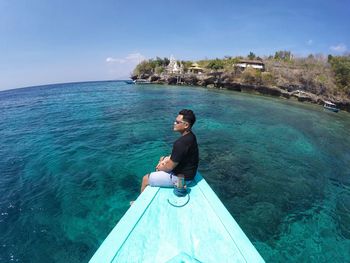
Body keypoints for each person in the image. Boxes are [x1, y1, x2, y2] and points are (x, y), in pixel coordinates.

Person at [140, 109, 199, 193]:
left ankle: (140, 203)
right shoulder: (191, 136)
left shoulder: (180, 143)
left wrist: (160, 166)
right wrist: (166, 159)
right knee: (164, 160)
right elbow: (181, 154)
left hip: (183, 179)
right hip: (190, 174)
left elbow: (169, 168)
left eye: (177, 122)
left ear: (186, 125)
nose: (174, 123)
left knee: (145, 179)